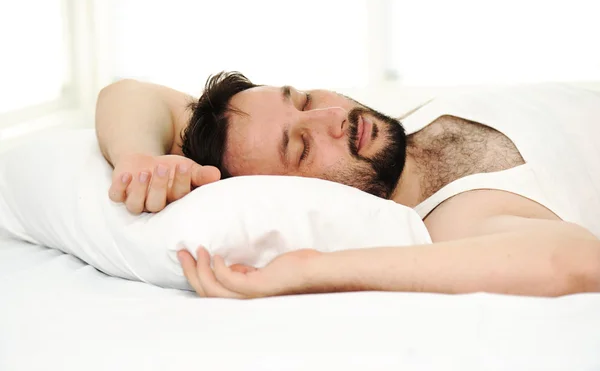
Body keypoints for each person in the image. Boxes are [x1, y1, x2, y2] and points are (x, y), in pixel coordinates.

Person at [95, 72, 600, 299]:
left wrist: (139, 159)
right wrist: (313, 272)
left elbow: (131, 93)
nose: (335, 116)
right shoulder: (454, 219)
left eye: (306, 99)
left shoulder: (401, 126)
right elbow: (576, 262)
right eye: (300, 147)